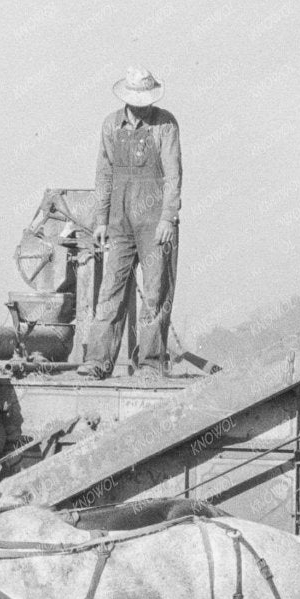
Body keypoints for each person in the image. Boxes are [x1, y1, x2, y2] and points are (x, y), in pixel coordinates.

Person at [80, 65, 182, 378]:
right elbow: (104, 173)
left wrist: (168, 216)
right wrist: (101, 220)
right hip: (119, 221)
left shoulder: (165, 124)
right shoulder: (111, 125)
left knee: (155, 293)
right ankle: (98, 361)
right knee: (110, 291)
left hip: (154, 222)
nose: (142, 104)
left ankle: (150, 364)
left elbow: (174, 172)